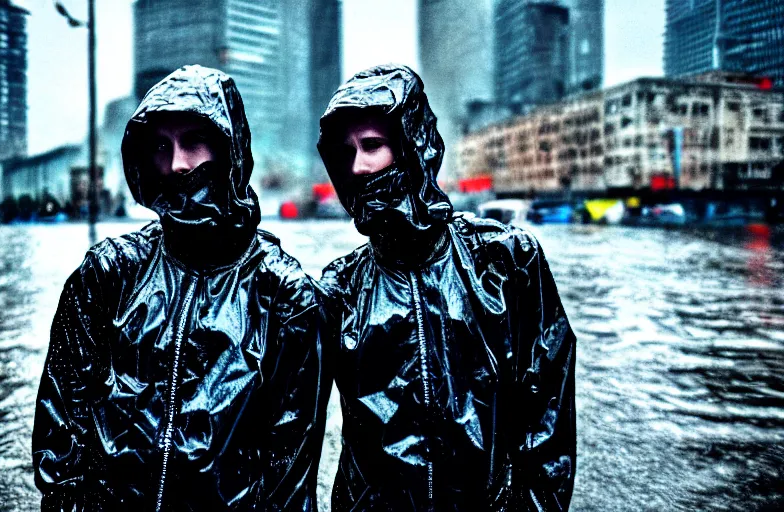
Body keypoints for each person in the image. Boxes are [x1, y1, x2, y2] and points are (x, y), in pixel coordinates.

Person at [32, 65, 325, 511]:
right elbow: (62, 437)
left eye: (193, 142)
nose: (177, 164)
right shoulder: (108, 274)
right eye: (161, 147)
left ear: (230, 150)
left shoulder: (286, 298)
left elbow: (287, 478)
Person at [317, 64, 577, 511]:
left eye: (373, 145)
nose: (357, 166)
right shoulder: (341, 287)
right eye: (346, 152)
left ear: (412, 146)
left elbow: (546, 421)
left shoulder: (505, 260)